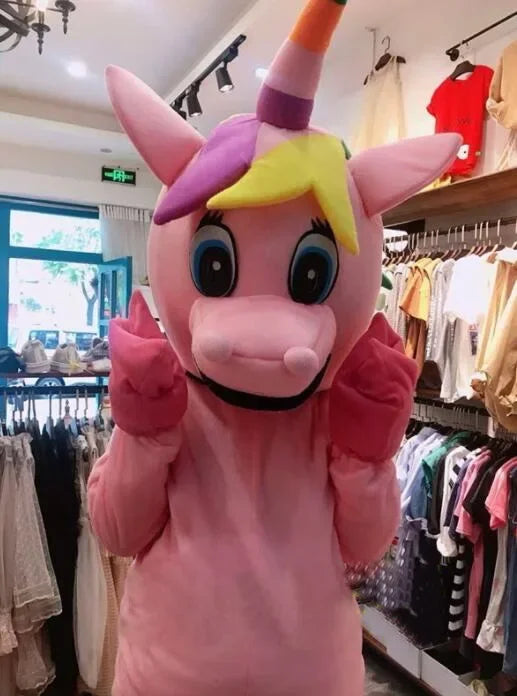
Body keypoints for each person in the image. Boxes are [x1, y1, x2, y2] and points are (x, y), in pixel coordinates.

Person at [87, 0, 461, 693]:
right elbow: (117, 531)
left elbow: (365, 545)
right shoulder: (170, 392)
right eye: (216, 267)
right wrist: (144, 435)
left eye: (310, 277)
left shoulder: (335, 406)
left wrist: (364, 456)